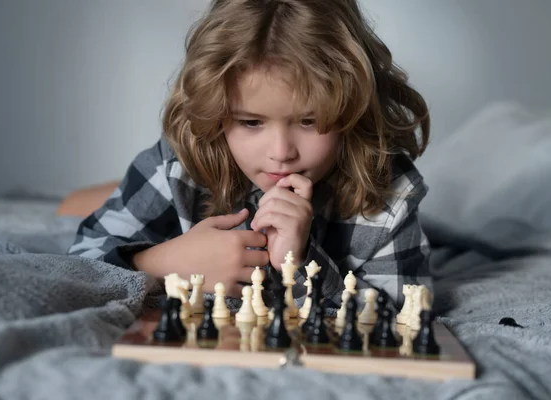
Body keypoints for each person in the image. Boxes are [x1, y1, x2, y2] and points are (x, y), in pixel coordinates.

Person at [66, 0, 432, 307]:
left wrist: (299, 262)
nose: (281, 154)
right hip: (192, 179)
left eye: (309, 121)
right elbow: (79, 260)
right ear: (217, 114)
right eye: (251, 123)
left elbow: (405, 312)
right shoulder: (181, 162)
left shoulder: (389, 191)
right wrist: (161, 261)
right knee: (71, 204)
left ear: (353, 108)